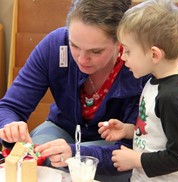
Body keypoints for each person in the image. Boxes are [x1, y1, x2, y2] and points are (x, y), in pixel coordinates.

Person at [0, 0, 150, 181]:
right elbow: (10, 107)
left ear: (120, 40)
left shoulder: (140, 64)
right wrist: (10, 126)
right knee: (38, 157)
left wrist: (76, 153)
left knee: (84, 168)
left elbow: (133, 149)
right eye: (74, 46)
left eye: (96, 51)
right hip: (61, 129)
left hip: (115, 146)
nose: (82, 58)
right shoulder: (55, 45)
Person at [98, 0, 178, 181]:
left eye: (128, 51)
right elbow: (157, 130)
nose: (122, 57)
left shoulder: (172, 97)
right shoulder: (154, 81)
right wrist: (128, 130)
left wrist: (136, 159)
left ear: (154, 55)